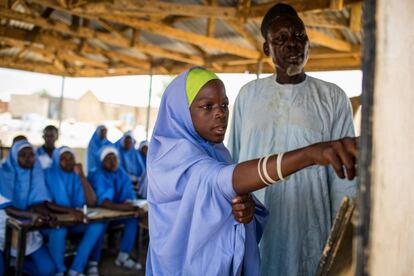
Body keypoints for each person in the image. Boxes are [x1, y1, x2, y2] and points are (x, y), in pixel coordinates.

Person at [146, 67, 358, 275]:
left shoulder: (216, 153)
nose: (220, 112)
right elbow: (217, 180)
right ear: (181, 112)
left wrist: (243, 210)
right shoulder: (170, 154)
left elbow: (222, 197)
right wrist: (309, 155)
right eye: (207, 106)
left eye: (224, 105)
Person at [227, 3, 358, 275]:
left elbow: (344, 179)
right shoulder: (247, 96)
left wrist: (342, 242)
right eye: (281, 39)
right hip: (256, 226)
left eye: (300, 37)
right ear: (267, 49)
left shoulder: (333, 98)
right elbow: (235, 162)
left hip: (310, 228)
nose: (292, 45)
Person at [43, 147, 105, 276]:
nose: (68, 161)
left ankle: (76, 269)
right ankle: (58, 271)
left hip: (74, 221)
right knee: (59, 230)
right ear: (56, 160)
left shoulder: (76, 175)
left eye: (71, 158)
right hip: (53, 222)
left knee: (98, 225)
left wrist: (82, 175)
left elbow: (92, 201)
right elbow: (47, 204)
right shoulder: (48, 174)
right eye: (63, 159)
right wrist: (71, 211)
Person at [0, 140, 57, 275]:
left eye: (31, 154)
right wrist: (31, 215)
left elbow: (37, 202)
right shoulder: (3, 173)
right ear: (14, 156)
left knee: (47, 270)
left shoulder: (35, 172)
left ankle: (15, 263)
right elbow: (7, 208)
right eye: (23, 155)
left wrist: (47, 215)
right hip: (2, 227)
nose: (28, 158)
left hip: (26, 227)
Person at [87, 146, 145, 273]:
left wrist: (129, 205)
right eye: (108, 158)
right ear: (101, 161)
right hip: (99, 215)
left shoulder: (121, 172)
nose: (113, 161)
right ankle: (93, 261)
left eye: (115, 158)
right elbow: (104, 203)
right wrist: (129, 208)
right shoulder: (98, 174)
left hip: (116, 214)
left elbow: (128, 196)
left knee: (132, 219)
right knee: (100, 224)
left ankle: (123, 256)